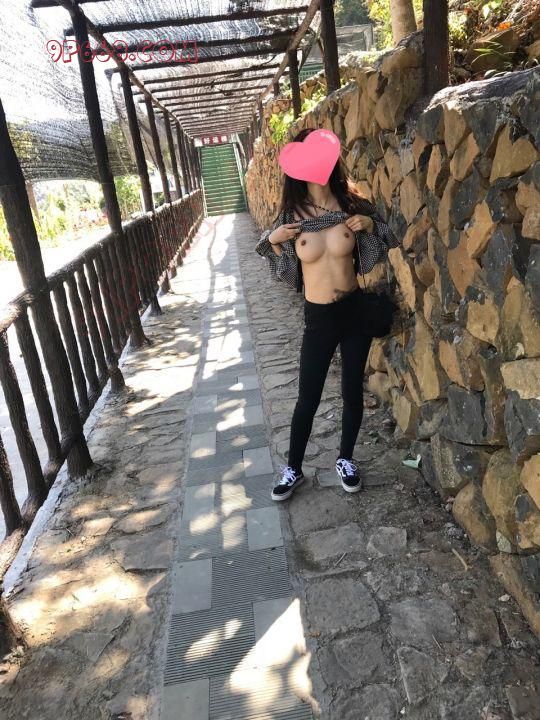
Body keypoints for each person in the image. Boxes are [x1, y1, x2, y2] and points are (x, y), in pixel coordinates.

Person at [255, 127, 399, 502]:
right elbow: (281, 266)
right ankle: (293, 468)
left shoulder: (351, 204)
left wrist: (370, 225)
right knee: (308, 396)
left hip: (354, 311)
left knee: (352, 390)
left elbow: (390, 235)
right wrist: (273, 240)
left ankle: (346, 459)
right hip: (318, 318)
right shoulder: (292, 216)